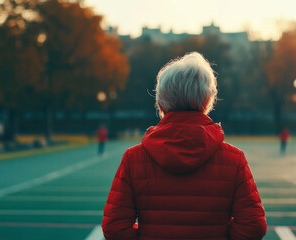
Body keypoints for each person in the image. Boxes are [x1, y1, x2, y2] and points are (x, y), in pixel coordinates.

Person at [102, 52, 267, 240]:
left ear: (161, 102)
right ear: (207, 101)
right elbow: (253, 226)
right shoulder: (234, 159)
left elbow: (114, 227)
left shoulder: (134, 158)